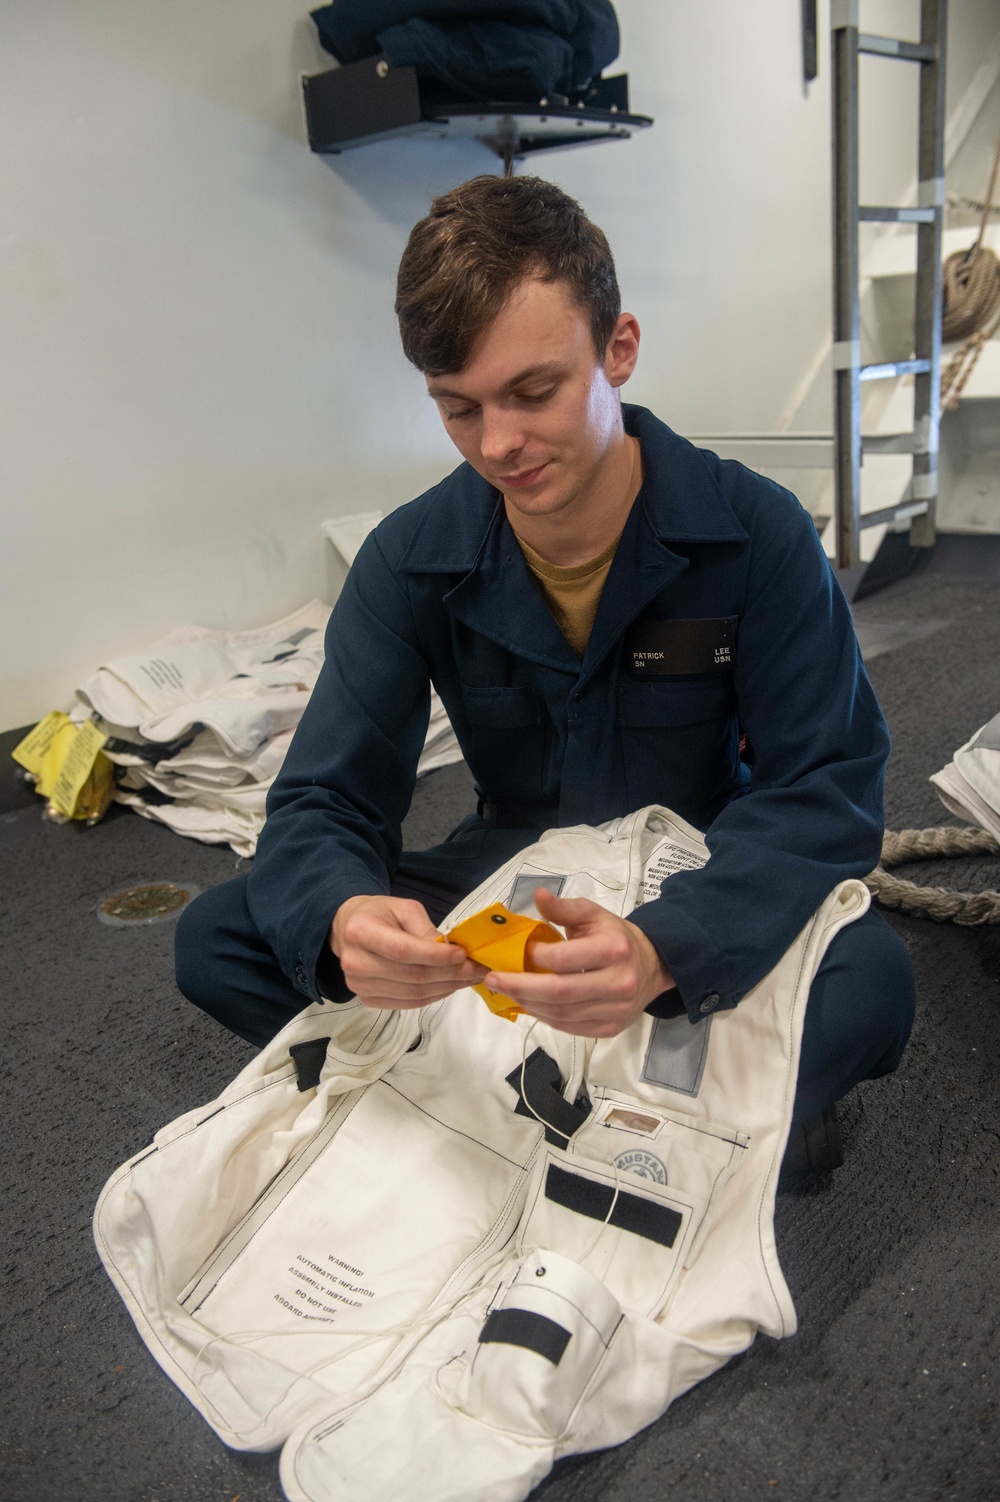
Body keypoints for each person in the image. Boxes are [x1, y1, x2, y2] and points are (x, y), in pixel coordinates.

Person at [175, 174, 915, 1175]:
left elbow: (824, 787)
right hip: (512, 875)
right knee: (224, 935)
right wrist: (348, 916)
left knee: (870, 980)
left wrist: (667, 946)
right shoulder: (407, 559)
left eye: (533, 392)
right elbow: (323, 796)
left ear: (618, 349)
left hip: (699, 863)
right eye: (457, 409)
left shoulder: (758, 532)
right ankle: (655, 1120)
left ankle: (488, 1112)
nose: (499, 445)